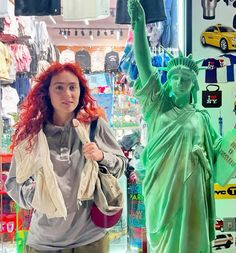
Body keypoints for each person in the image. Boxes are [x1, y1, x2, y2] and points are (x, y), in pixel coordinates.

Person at [127, 0, 236, 252]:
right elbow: (144, 64)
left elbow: (218, 151)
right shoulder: (157, 106)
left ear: (193, 85)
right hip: (163, 190)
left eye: (185, 79)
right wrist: (140, 24)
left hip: (195, 191)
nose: (179, 82)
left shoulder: (201, 116)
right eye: (174, 77)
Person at [5, 62, 128, 253]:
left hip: (90, 240)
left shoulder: (94, 126)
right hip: (44, 243)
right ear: (48, 92)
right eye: (59, 88)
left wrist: (101, 156)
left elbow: (121, 165)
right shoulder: (33, 134)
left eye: (72, 87)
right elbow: (13, 182)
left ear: (80, 90)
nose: (67, 94)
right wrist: (37, 196)